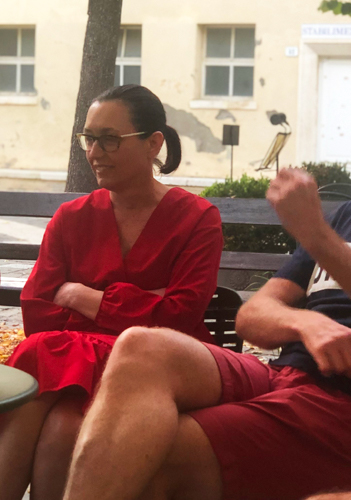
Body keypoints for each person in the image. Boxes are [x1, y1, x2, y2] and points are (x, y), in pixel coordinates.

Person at [61, 68, 351, 500]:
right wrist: (307, 325)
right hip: (280, 378)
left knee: (145, 454)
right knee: (142, 346)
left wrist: (319, 238)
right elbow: (253, 317)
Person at [0, 84, 223, 500]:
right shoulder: (72, 217)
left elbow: (179, 315)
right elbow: (37, 311)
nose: (94, 152)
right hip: (69, 362)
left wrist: (85, 298)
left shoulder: (197, 219)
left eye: (109, 140)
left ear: (153, 143)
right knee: (54, 419)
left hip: (156, 364)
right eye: (89, 138)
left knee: (60, 424)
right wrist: (141, 300)